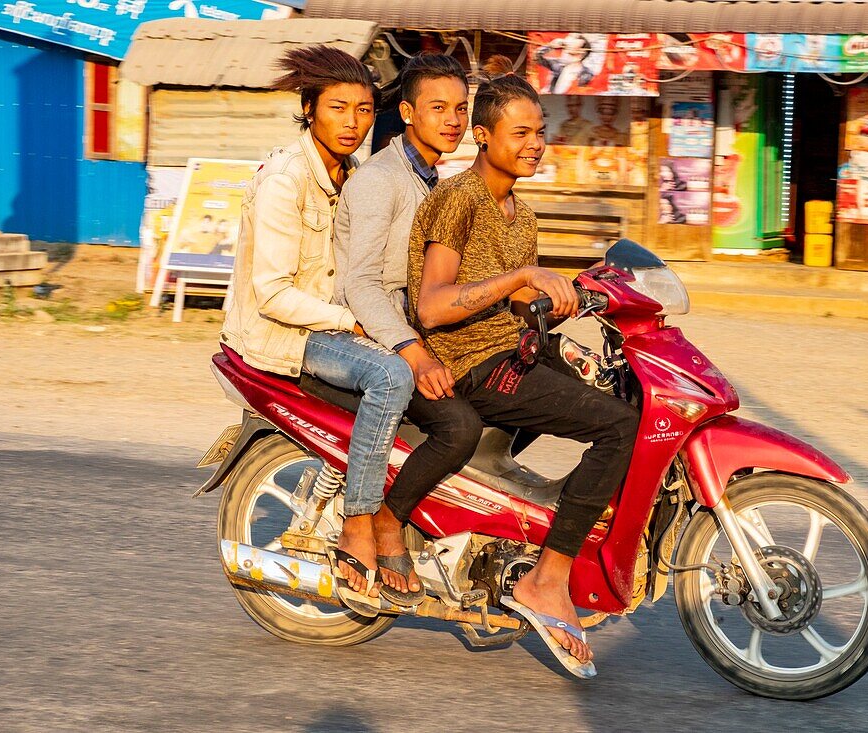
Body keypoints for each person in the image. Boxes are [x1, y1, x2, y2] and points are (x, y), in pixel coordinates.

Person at [382, 56, 640, 668]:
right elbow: (436, 305)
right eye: (520, 134)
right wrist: (523, 278)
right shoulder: (460, 200)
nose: (535, 145)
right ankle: (547, 578)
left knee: (626, 394)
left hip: (508, 346)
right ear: (483, 136)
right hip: (466, 362)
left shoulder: (518, 210)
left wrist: (576, 294)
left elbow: (510, 289)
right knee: (617, 427)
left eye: (540, 132)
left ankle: (515, 526)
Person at [220, 45, 414, 605]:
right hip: (284, 335)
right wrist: (352, 321)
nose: (353, 122)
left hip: (326, 324)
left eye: (363, 109)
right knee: (392, 376)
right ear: (310, 109)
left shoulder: (354, 174)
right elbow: (273, 293)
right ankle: (360, 520)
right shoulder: (286, 178)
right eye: (338, 108)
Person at [333, 52, 469, 605]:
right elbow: (361, 285)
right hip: (354, 332)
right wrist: (414, 353)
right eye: (438, 108)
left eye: (461, 108)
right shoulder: (380, 180)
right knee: (456, 424)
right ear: (408, 113)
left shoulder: (436, 180)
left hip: (400, 328)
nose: (453, 119)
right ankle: (369, 520)